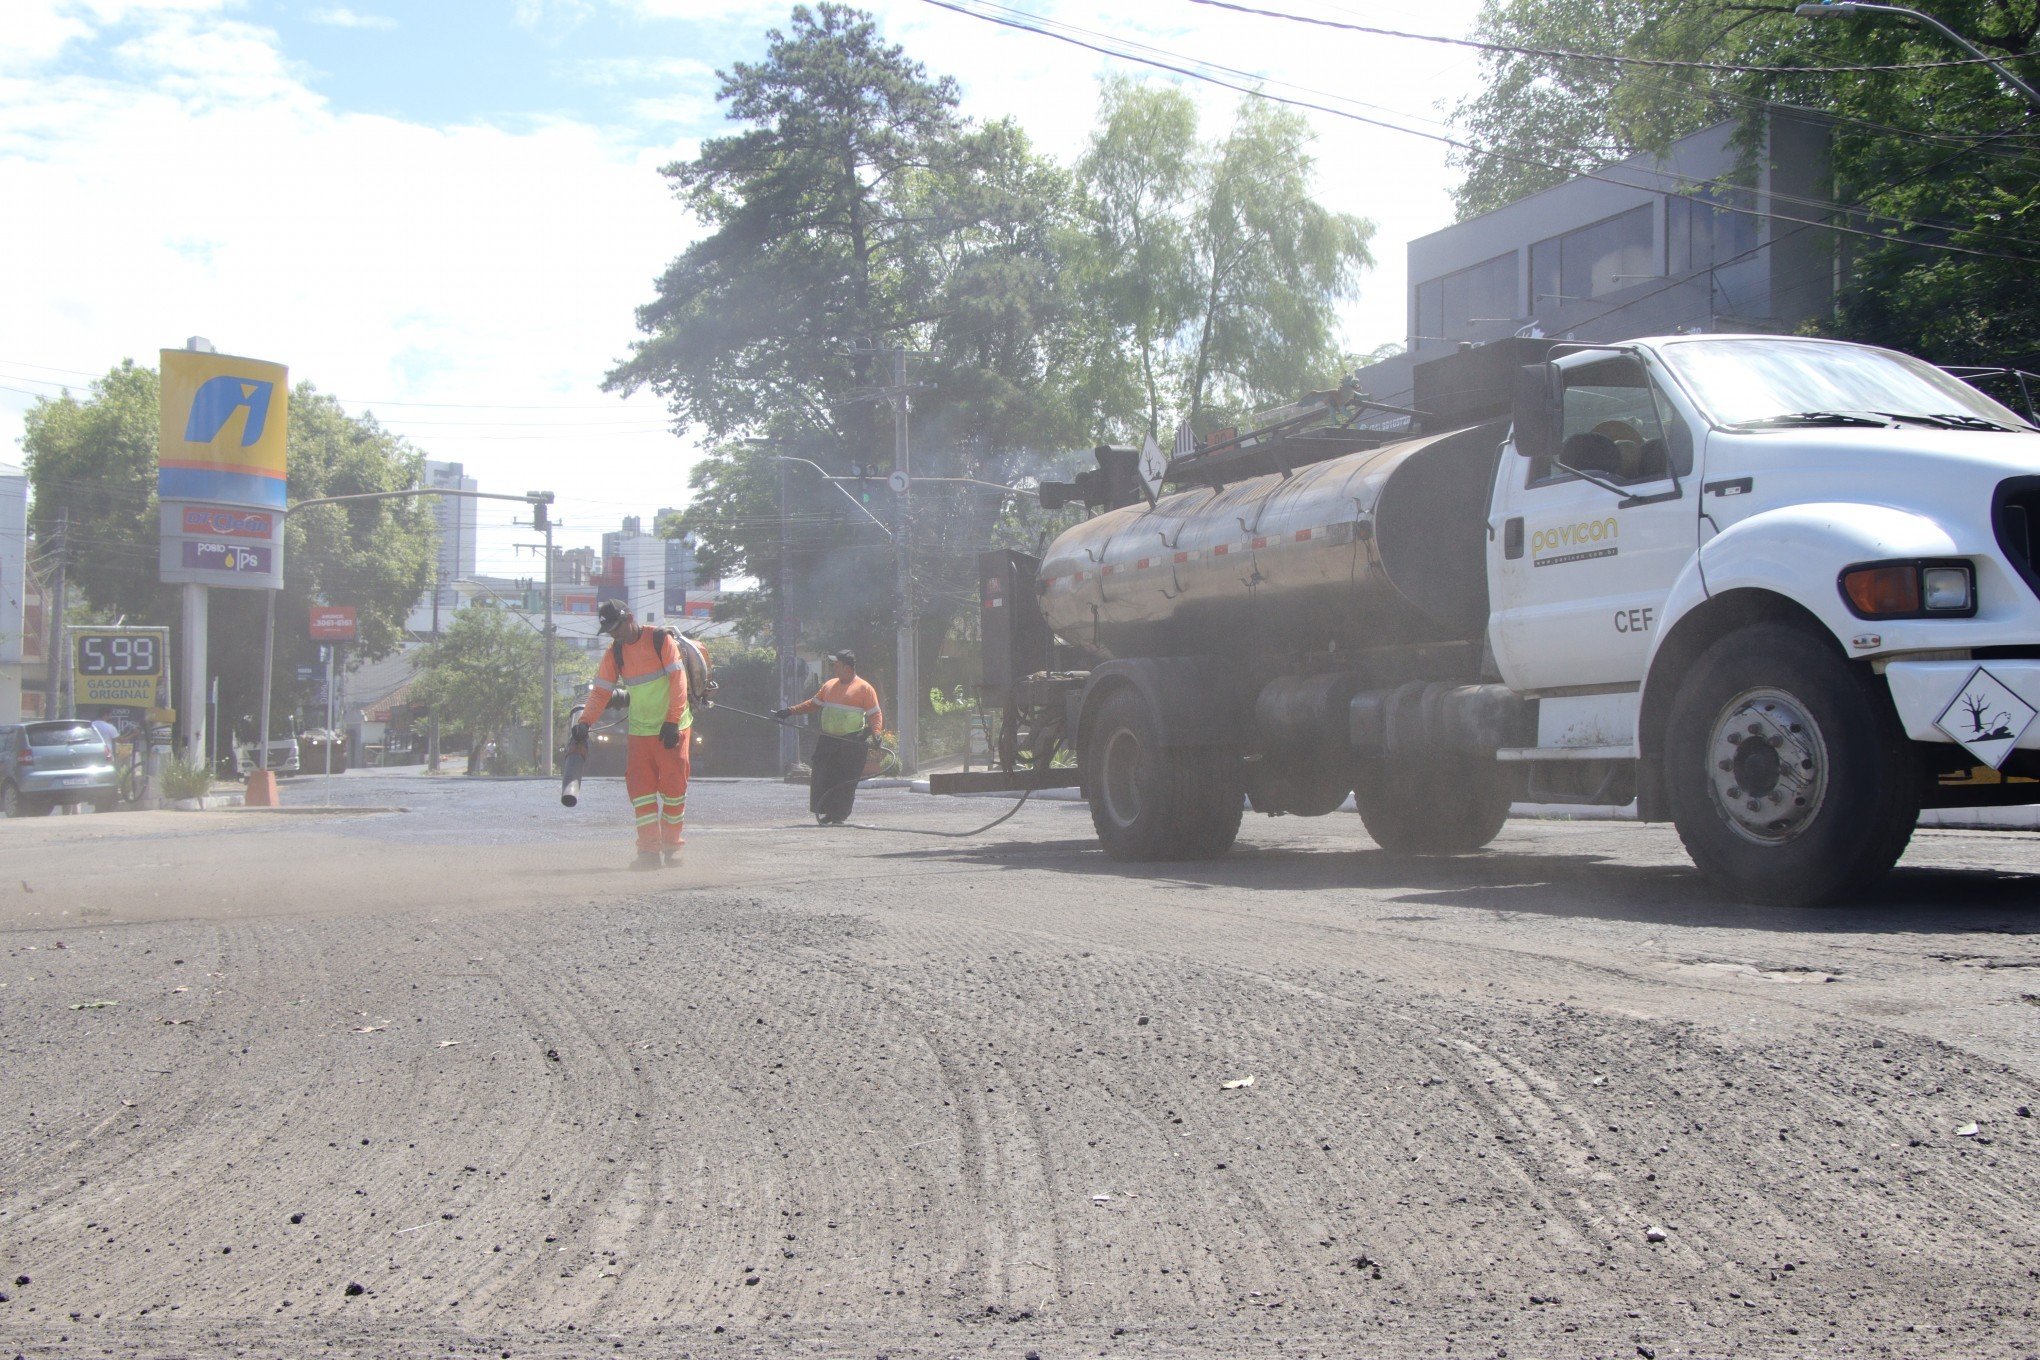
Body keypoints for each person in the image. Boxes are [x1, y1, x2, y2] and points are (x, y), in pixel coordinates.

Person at [573, 601, 690, 869]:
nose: (615, 634)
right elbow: (601, 691)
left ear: (630, 619)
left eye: (617, 627)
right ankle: (649, 852)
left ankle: (672, 848)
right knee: (642, 792)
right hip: (640, 731)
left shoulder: (660, 641)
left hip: (672, 729)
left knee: (674, 791)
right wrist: (585, 721)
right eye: (610, 630)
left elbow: (678, 681)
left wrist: (672, 721)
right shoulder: (615, 653)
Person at [774, 649, 882, 825]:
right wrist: (789, 711)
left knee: (844, 779)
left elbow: (875, 715)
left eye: (836, 665)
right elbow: (813, 704)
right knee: (823, 775)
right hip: (828, 740)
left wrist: (876, 734)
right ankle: (828, 812)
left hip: (851, 741)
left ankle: (839, 815)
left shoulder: (864, 688)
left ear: (847, 668)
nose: (833, 668)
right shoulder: (829, 685)